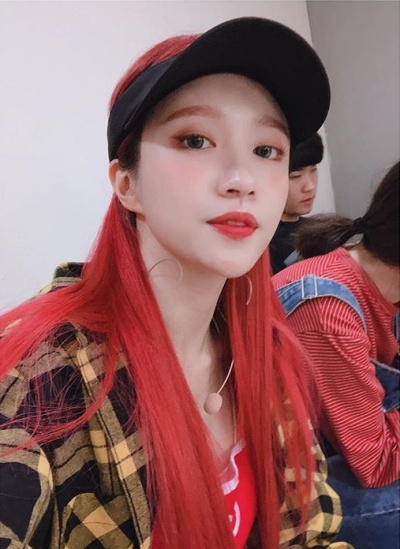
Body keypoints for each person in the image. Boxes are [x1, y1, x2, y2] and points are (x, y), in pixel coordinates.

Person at [0, 17, 352, 549]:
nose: (241, 179)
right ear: (127, 184)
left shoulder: (270, 351)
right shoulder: (38, 376)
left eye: (266, 150)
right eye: (195, 140)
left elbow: (313, 530)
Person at [273, 160, 400, 549]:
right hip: (291, 493)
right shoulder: (326, 309)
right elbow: (375, 464)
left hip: (348, 444)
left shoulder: (382, 285)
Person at [269, 133, 324, 274]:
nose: (310, 186)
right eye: (295, 176)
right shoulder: (265, 243)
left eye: (314, 170)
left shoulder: (316, 229)